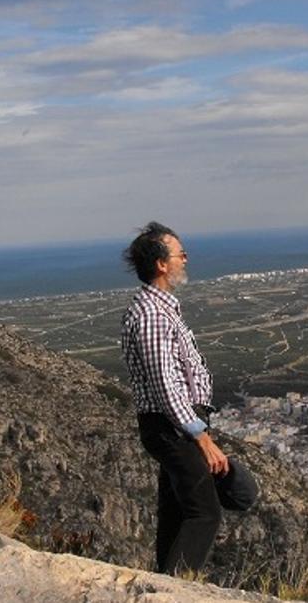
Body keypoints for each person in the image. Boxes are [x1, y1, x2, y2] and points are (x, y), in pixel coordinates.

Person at [121, 221, 228, 575]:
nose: (186, 259)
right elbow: (166, 384)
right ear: (162, 264)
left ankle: (163, 585)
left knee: (176, 511)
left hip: (173, 424)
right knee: (204, 513)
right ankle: (176, 590)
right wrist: (201, 436)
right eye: (180, 253)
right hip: (172, 426)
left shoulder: (159, 308)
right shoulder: (152, 314)